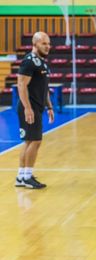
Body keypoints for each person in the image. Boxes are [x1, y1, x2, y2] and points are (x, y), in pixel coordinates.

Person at [15, 31, 54, 190]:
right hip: (29, 108)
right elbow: (21, 85)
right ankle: (27, 177)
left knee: (29, 141)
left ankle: (21, 176)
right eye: (44, 43)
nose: (47, 46)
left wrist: (49, 106)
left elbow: (44, 88)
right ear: (35, 44)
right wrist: (28, 108)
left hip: (37, 107)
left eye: (48, 43)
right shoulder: (29, 61)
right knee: (36, 141)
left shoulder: (41, 62)